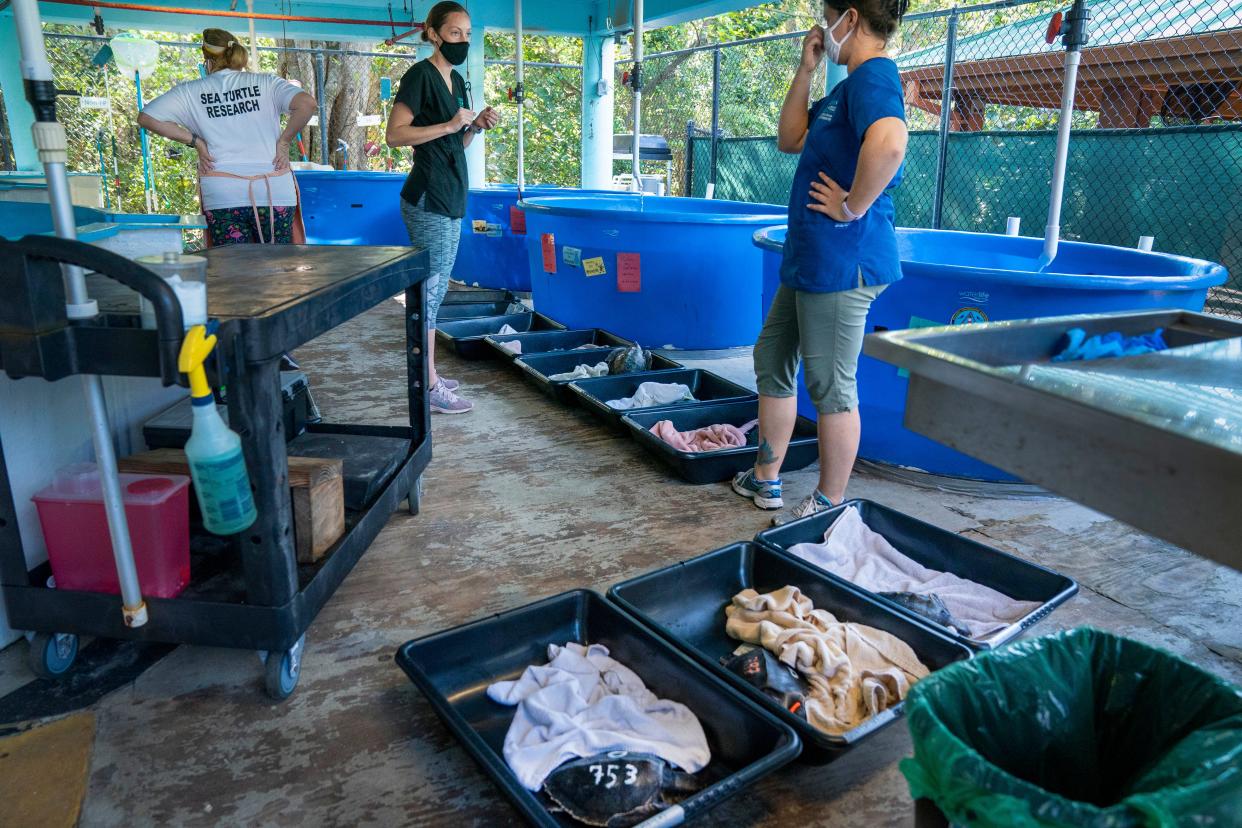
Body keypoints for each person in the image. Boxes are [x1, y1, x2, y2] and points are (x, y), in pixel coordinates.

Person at [732, 0, 910, 522]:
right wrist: (806, 68)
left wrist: (853, 204)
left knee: (831, 385)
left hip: (841, 262)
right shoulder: (845, 88)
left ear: (849, 19)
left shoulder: (875, 77)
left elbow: (892, 142)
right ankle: (766, 477)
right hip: (812, 257)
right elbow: (791, 139)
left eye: (825, 11)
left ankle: (829, 504)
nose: (821, 20)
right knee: (772, 356)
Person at [385, 1, 500, 415]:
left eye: (467, 34)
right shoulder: (420, 76)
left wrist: (472, 128)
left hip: (450, 196)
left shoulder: (458, 81)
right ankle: (428, 384)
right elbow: (395, 135)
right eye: (455, 33)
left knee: (436, 293)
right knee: (430, 295)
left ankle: (428, 371)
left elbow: (456, 144)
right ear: (433, 34)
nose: (462, 41)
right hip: (427, 197)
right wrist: (452, 124)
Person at [138, 29, 318, 246]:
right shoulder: (266, 82)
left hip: (223, 192)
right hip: (274, 188)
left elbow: (147, 117)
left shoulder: (190, 91)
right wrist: (284, 141)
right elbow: (307, 104)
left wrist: (197, 142)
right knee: (277, 271)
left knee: (233, 272)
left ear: (207, 58)